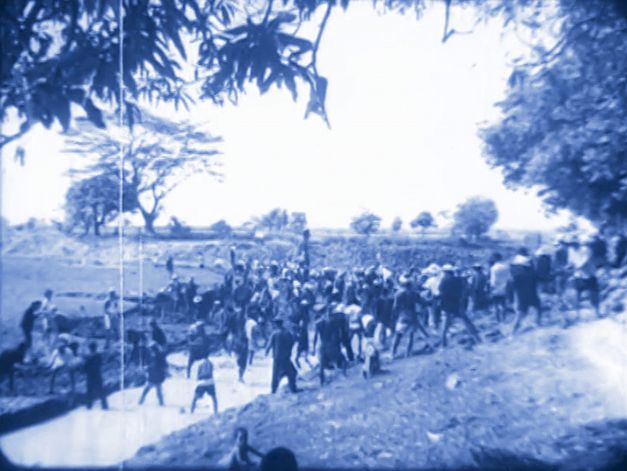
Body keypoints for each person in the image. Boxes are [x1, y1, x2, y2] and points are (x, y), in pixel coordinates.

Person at [439, 265, 482, 348]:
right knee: (467, 322)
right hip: (457, 304)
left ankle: (443, 345)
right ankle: (477, 339)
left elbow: (441, 292)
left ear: (446, 272)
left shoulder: (444, 281)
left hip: (447, 305)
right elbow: (465, 290)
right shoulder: (458, 280)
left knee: (445, 326)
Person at [313, 305, 347, 386]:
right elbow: (338, 334)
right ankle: (343, 375)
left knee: (322, 364)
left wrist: (313, 348)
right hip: (332, 345)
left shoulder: (318, 323)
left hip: (323, 345)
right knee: (342, 360)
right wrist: (340, 343)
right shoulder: (334, 322)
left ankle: (322, 381)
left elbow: (315, 337)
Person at [510, 255, 543, 334]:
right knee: (538, 309)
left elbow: (513, 287)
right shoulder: (534, 274)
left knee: (520, 314)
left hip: (522, 297)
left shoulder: (518, 276)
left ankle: (513, 331)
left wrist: (512, 298)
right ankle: (537, 323)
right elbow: (544, 279)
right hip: (533, 296)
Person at [265, 318, 299, 394]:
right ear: (282, 323)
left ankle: (273, 390)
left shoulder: (274, 333)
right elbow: (292, 342)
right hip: (286, 357)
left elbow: (269, 345)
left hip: (276, 357)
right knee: (292, 372)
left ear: (277, 324)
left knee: (275, 374)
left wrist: (266, 352)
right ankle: (293, 388)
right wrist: (288, 351)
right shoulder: (287, 333)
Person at [84, 342, 108, 410]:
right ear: (95, 348)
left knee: (89, 390)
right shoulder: (98, 356)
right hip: (97, 374)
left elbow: (85, 367)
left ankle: (89, 405)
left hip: (90, 375)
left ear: (90, 348)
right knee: (101, 390)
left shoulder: (88, 357)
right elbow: (101, 363)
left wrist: (85, 371)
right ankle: (104, 405)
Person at [489, 253, 510, 322]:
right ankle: (504, 318)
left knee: (496, 305)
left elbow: (493, 281)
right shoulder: (506, 266)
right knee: (504, 304)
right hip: (505, 288)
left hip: (496, 288)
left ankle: (498, 319)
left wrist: (491, 289)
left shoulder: (494, 268)